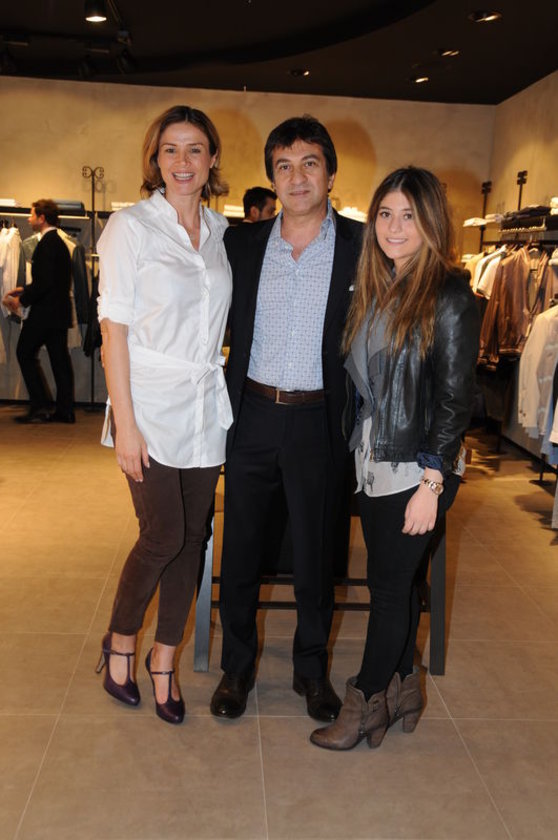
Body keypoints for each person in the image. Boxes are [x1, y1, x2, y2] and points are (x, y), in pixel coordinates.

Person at [310, 166, 480, 751]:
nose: (394, 227)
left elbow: (456, 398)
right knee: (397, 584)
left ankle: (363, 704)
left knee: (386, 590)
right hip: (375, 461)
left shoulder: (450, 294)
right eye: (385, 214)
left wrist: (432, 483)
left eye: (409, 215)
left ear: (431, 222)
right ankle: (405, 688)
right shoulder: (380, 286)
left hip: (417, 468)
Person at [210, 115, 363, 722]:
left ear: (330, 173)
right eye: (284, 166)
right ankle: (236, 668)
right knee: (241, 551)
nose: (297, 178)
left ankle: (310, 670)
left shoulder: (360, 246)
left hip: (319, 420)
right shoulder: (241, 245)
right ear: (272, 178)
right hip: (251, 414)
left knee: (316, 555)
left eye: (309, 164)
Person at [95, 105, 232, 725]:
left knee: (193, 539)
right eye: (170, 150)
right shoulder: (130, 228)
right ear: (155, 159)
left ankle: (164, 660)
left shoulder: (221, 232)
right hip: (146, 404)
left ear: (211, 159)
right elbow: (114, 332)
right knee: (163, 535)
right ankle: (121, 642)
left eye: (195, 149)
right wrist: (125, 424)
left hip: (204, 406)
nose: (183, 161)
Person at [2, 199, 75, 424]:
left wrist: (21, 300)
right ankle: (64, 411)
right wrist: (24, 290)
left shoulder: (47, 244)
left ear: (42, 218)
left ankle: (40, 406)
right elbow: (51, 280)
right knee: (59, 361)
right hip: (57, 312)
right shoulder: (57, 242)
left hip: (45, 313)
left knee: (24, 352)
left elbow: (44, 282)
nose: (29, 219)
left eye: (32, 215)